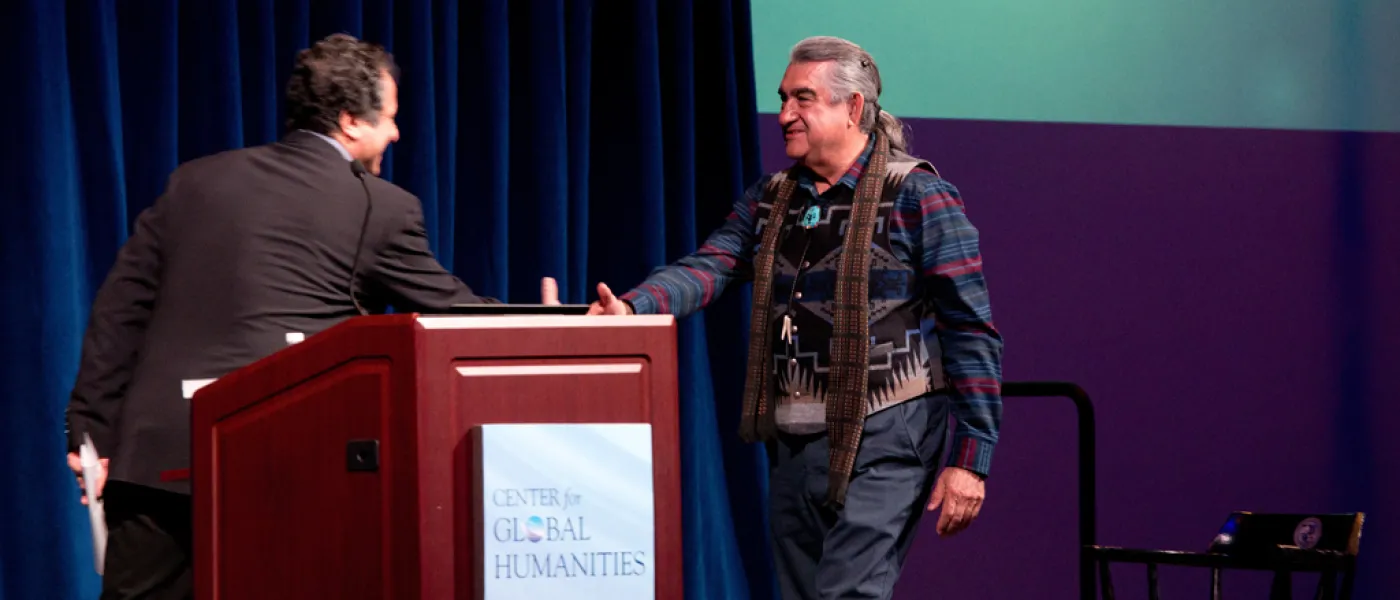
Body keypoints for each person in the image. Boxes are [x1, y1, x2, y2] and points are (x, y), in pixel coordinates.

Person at [64, 33, 557, 599]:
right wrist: (552, 325)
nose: (396, 134)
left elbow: (118, 315)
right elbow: (452, 311)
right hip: (282, 469)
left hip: (156, 462)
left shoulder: (193, 182)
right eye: (390, 119)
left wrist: (90, 438)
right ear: (350, 120)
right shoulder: (381, 206)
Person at [588, 36, 1004, 598]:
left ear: (853, 107)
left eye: (802, 99)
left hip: (888, 431)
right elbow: (710, 265)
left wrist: (970, 459)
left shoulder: (917, 196)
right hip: (794, 435)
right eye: (784, 98)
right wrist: (635, 307)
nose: (784, 114)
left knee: (846, 594)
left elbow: (970, 328)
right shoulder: (774, 198)